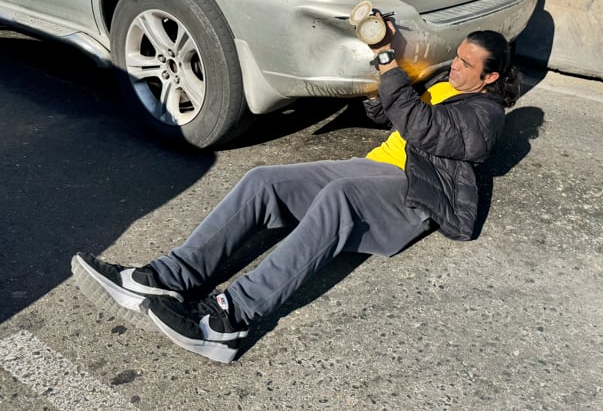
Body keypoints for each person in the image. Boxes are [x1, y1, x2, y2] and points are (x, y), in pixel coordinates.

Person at [72, 18, 520, 363]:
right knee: (263, 181)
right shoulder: (445, 84)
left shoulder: (486, 115)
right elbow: (390, 114)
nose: (456, 66)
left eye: (466, 64)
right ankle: (167, 278)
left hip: (415, 192)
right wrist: (378, 83)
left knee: (339, 200)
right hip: (372, 168)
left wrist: (389, 65)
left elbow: (423, 129)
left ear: (491, 79)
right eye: (457, 57)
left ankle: (229, 319)